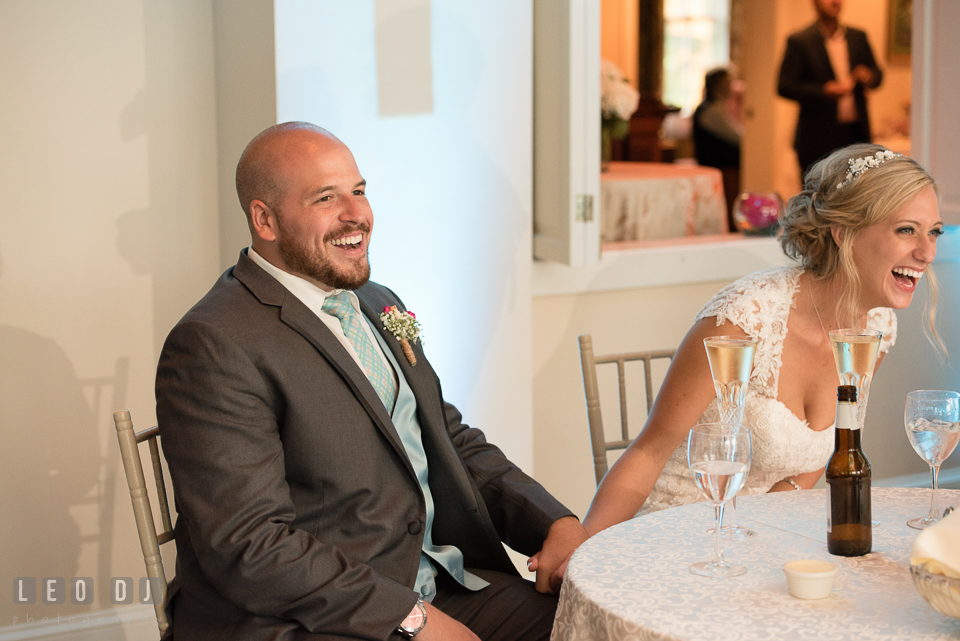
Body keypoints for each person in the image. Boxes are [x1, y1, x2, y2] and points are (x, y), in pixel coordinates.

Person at [155, 121, 587, 641]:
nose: (356, 213)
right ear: (264, 220)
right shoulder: (213, 343)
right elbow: (249, 543)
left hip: (434, 582)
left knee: (590, 627)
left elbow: (447, 439)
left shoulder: (377, 302)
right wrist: (411, 619)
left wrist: (553, 523)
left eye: (358, 191)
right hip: (307, 618)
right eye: (325, 198)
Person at [568, 143, 943, 546]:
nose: (926, 253)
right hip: (672, 537)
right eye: (906, 230)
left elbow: (817, 460)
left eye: (933, 232)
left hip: (752, 541)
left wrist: (762, 532)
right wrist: (583, 554)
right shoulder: (746, 318)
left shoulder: (879, 328)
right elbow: (647, 453)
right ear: (843, 232)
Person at [778, 0, 883, 176]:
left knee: (856, 196)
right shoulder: (800, 40)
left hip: (855, 134)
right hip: (816, 137)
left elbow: (877, 74)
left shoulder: (858, 36)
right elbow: (784, 86)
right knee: (818, 196)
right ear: (815, 3)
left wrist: (869, 76)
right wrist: (823, 91)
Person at [692, 67, 742, 230]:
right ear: (717, 85)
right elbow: (735, 137)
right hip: (721, 167)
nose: (730, 87)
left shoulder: (717, 107)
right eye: (727, 83)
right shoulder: (710, 110)